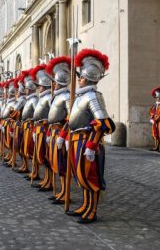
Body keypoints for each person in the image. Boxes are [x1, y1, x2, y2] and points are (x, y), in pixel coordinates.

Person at [61, 49, 115, 224]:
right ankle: (85, 205)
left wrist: (92, 145)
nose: (79, 79)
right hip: (76, 141)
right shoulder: (79, 97)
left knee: (91, 178)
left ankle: (92, 210)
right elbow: (71, 119)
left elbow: (103, 123)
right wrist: (64, 136)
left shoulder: (93, 96)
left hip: (88, 142)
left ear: (89, 78)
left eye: (81, 77)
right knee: (81, 176)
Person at [45, 56, 71, 204]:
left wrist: (63, 135)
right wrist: (49, 132)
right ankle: (60, 191)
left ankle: (64, 192)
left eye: (55, 82)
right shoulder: (56, 97)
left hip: (61, 132)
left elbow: (70, 117)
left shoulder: (66, 96)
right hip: (53, 132)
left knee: (62, 164)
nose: (53, 85)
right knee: (54, 162)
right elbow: (51, 118)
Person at [30, 64, 53, 191]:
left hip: (46, 130)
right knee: (41, 156)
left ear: (43, 86)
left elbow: (54, 115)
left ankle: (49, 181)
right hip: (39, 129)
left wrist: (46, 122)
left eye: (39, 86)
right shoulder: (42, 97)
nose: (38, 88)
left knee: (47, 157)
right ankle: (46, 179)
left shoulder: (49, 97)